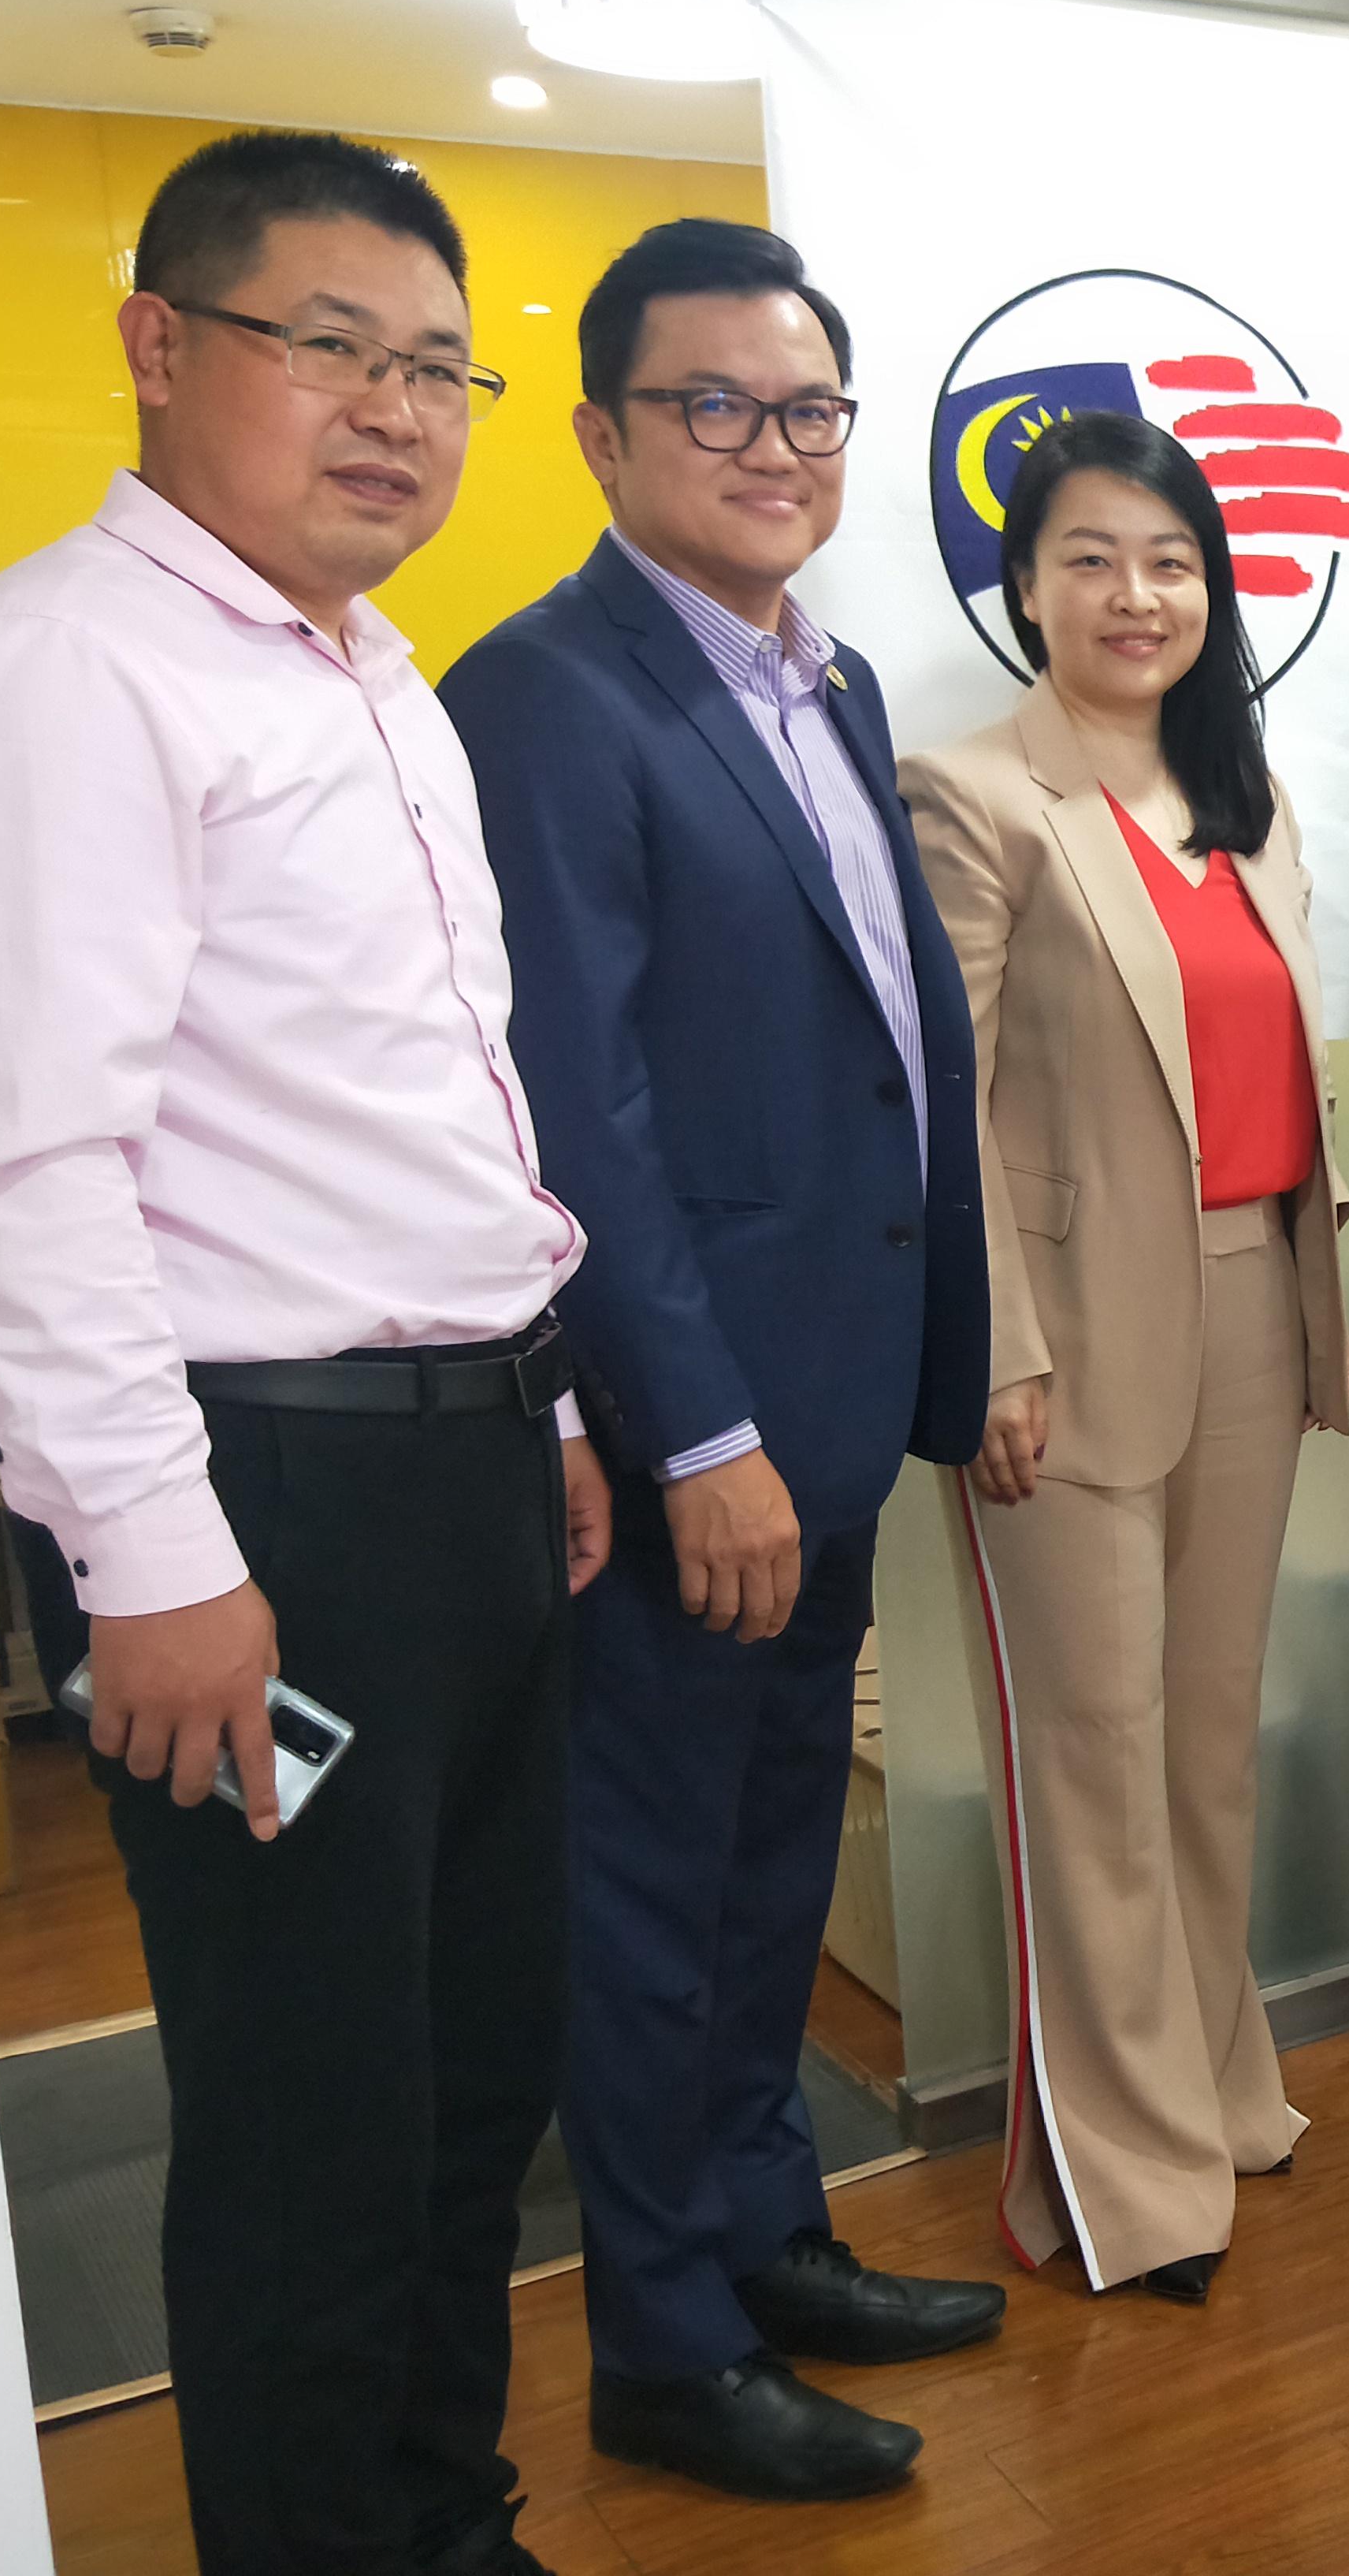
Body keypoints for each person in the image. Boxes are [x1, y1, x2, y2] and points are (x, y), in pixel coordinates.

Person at [0, 129, 607, 2576]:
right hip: (261, 1505)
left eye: (437, 369)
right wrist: (155, 1564)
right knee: (315, 2120)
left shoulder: (371, 672)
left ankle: (440, 2523)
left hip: (463, 1465)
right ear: (160, 345)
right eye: (331, 348)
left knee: (471, 2075)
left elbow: (429, 1114)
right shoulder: (64, 674)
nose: (394, 410)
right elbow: (22, 1171)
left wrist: (546, 1401)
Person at [441, 218, 1000, 2506]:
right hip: (711, 1437)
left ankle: (768, 2232)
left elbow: (880, 1053)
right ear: (602, 434)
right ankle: (663, 2340)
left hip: (832, 1401)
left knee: (772, 1867)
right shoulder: (544, 696)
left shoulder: (823, 683)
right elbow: (581, 1110)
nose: (773, 448)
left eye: (808, 409)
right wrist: (699, 1430)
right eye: (715, 405)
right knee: (657, 1893)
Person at [900, 413, 1349, 2306]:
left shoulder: (1245, 797)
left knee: (1205, 1741)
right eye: (1090, 556)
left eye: (1171, 560)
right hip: (1067, 1345)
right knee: (1089, 1758)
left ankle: (1215, 2082)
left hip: (1250, 1302)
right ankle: (1118, 2173)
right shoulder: (973, 793)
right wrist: (993, 1352)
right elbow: (942, 1105)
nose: (1135, 594)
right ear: (1025, 586)